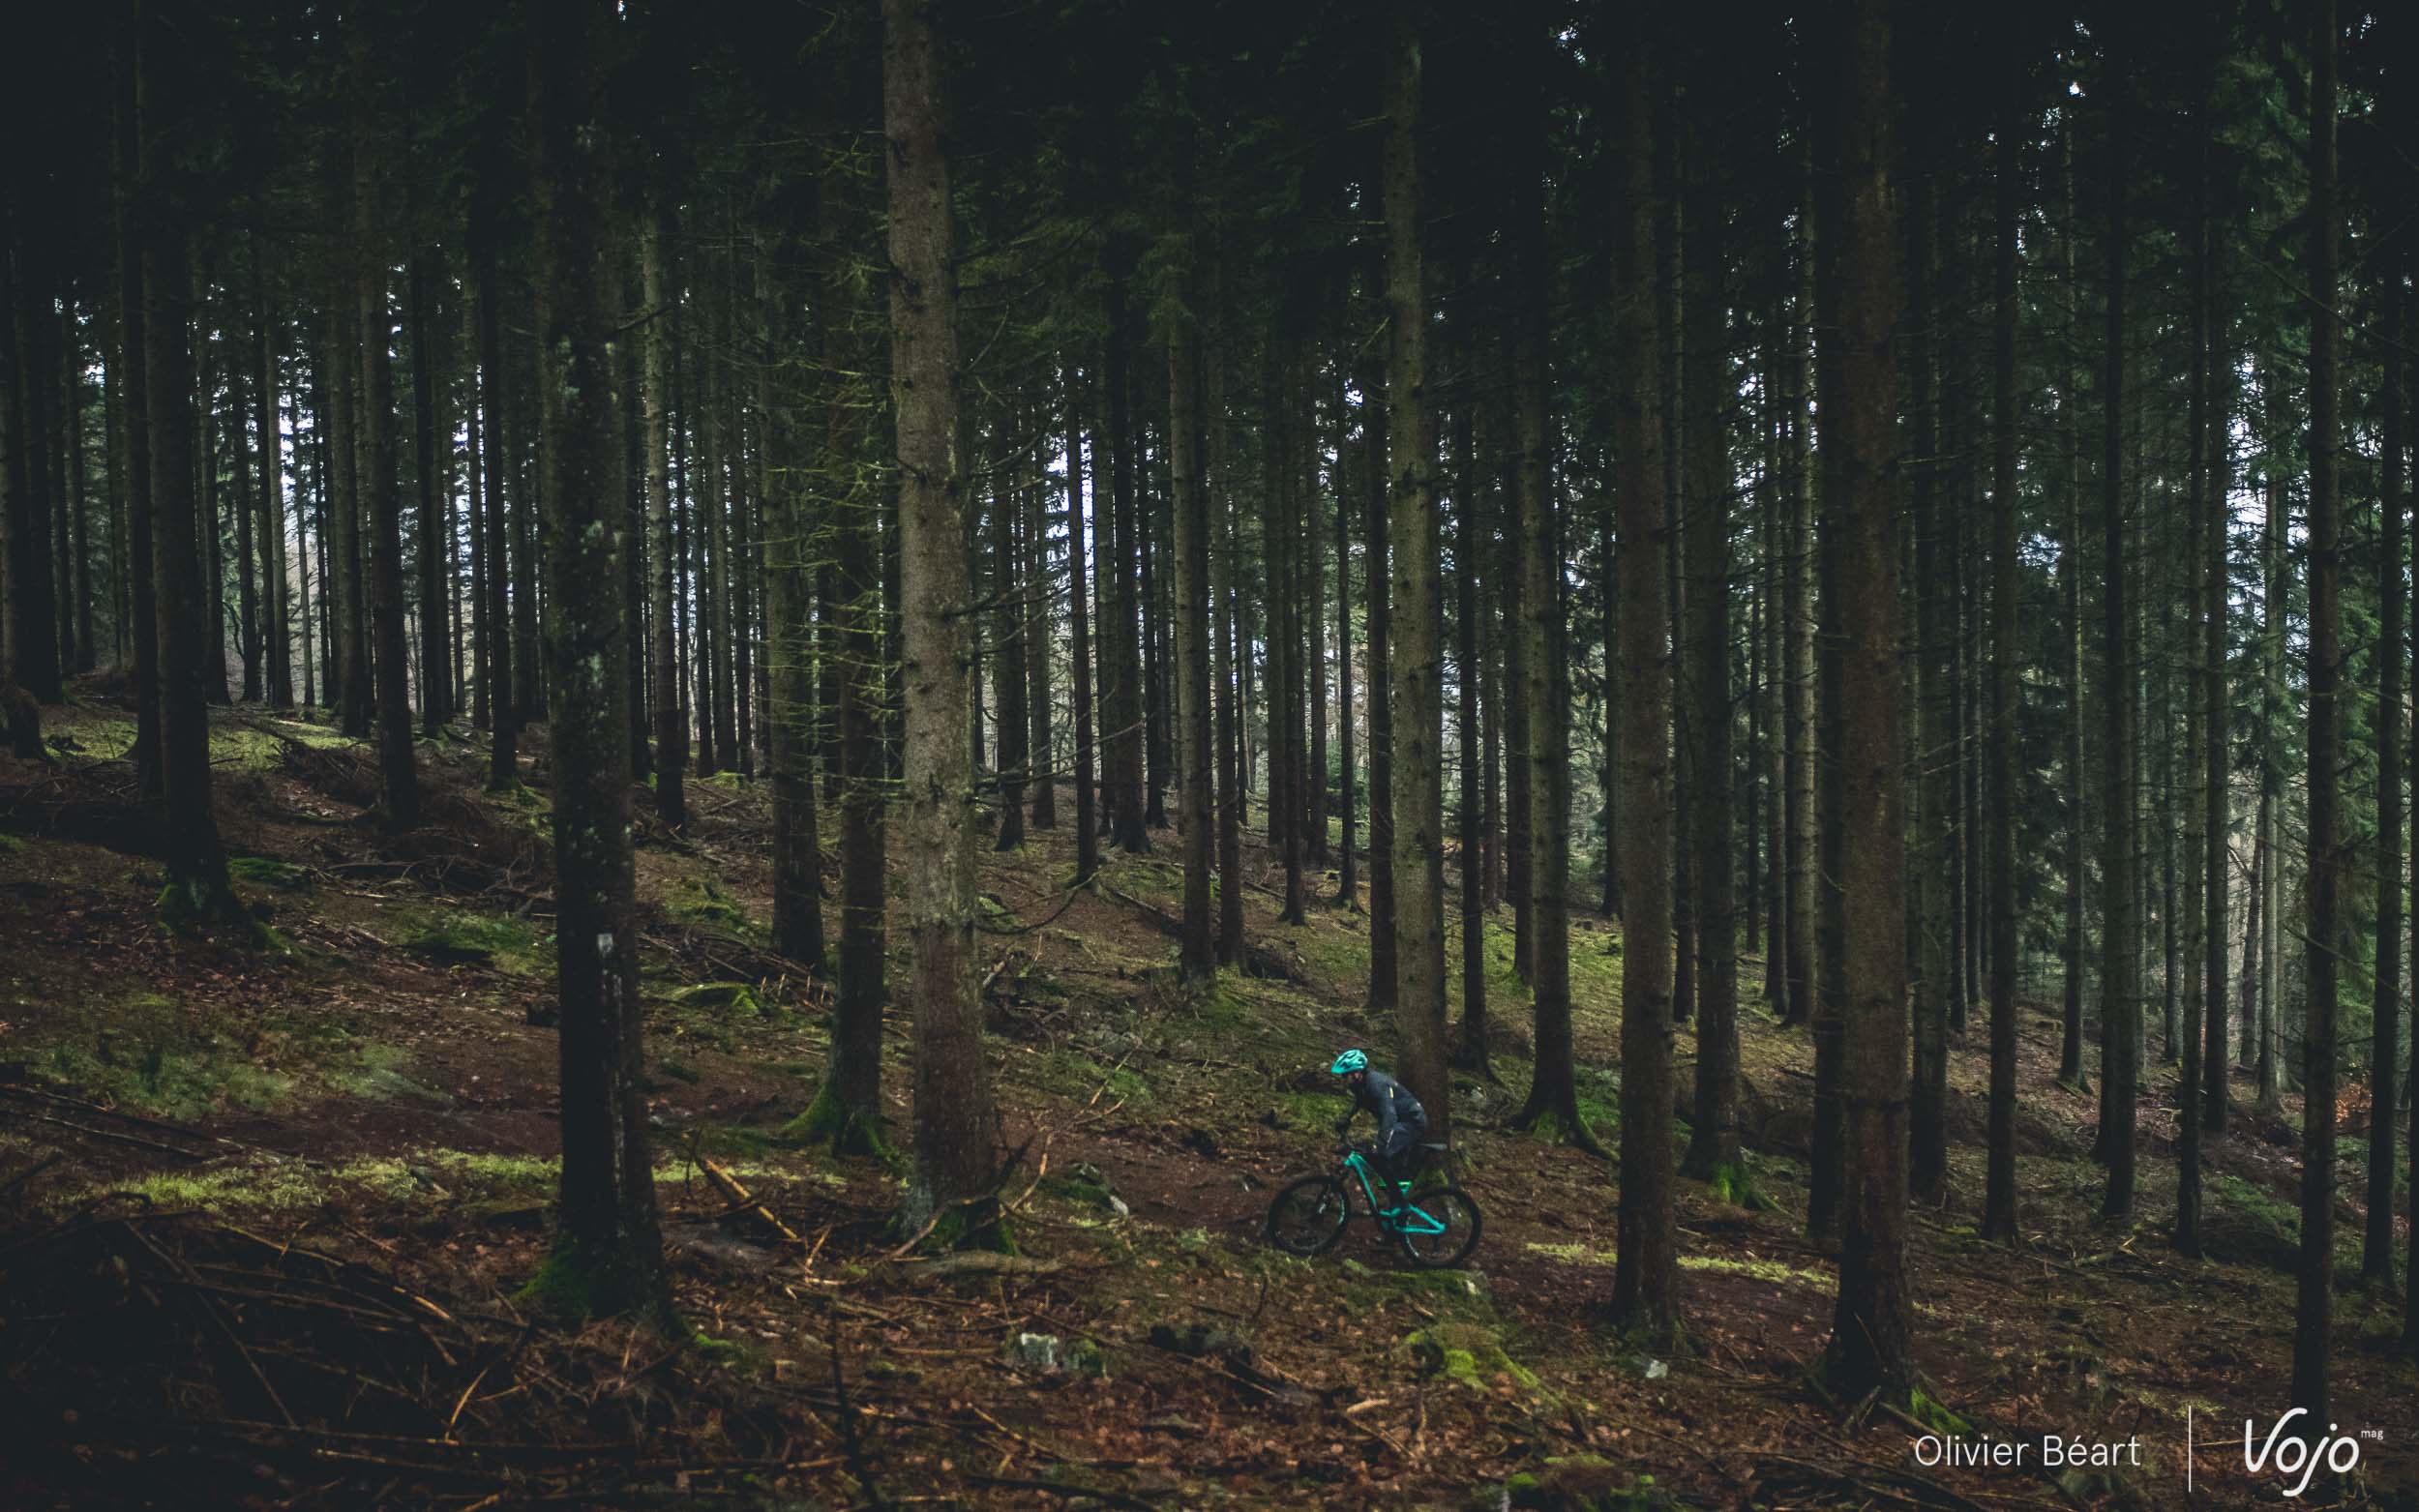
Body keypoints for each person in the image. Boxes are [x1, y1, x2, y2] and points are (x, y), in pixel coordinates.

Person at [1328, 1048, 1427, 1198]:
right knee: (1379, 1156)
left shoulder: (1376, 1084)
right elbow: (1359, 1103)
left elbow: (1389, 1116)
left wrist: (1381, 1143)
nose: (1344, 1079)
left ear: (1357, 1073)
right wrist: (1346, 1121)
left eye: (1345, 1075)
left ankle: (1399, 1200)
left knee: (1380, 1153)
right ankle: (1393, 1188)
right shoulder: (1360, 1085)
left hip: (1411, 1121)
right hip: (1397, 1120)